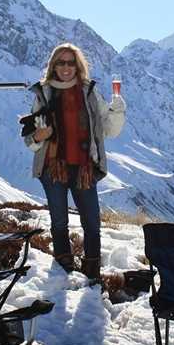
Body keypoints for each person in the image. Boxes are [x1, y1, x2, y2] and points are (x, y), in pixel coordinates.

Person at [24, 43, 126, 279]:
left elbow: (109, 130)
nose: (66, 67)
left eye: (71, 62)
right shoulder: (44, 92)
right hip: (53, 168)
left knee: (92, 223)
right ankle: (64, 271)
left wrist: (118, 111)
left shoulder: (89, 92)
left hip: (84, 169)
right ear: (53, 66)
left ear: (78, 65)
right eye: (61, 62)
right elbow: (30, 139)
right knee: (59, 223)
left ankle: (92, 273)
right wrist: (39, 136)